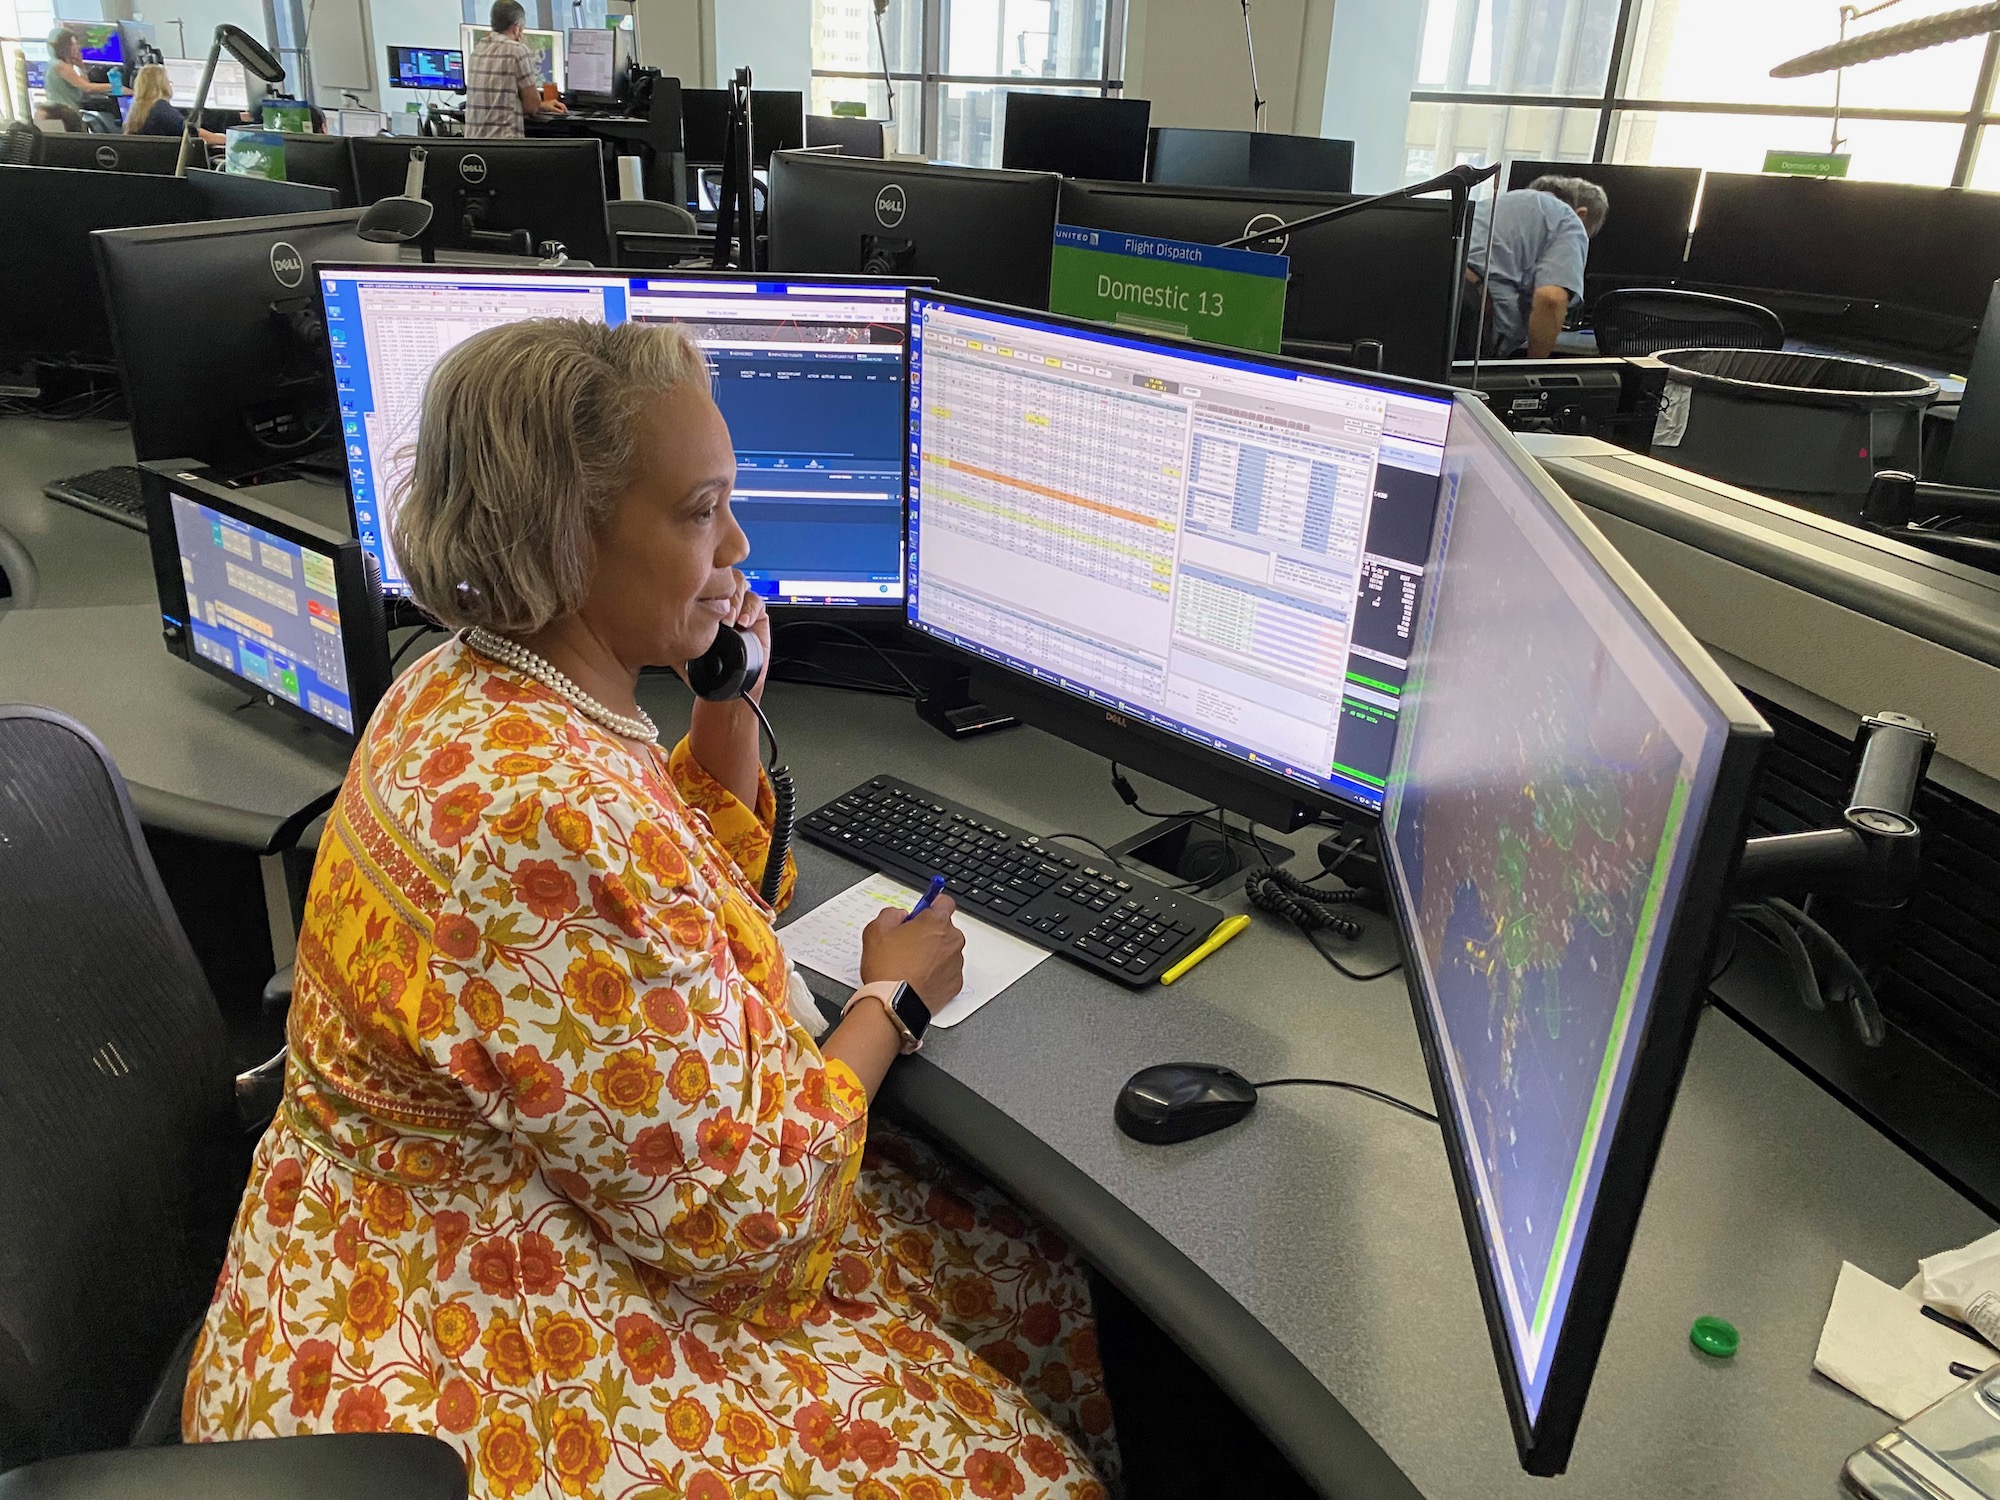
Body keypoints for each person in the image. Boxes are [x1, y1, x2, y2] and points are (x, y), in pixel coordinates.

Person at [182, 317, 1118, 1500]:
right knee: (1021, 1445)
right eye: (696, 511)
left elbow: (668, 910)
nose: (735, 540)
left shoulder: (461, 677)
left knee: (993, 1261)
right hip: (449, 1335)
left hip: (433, 1229)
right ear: (567, 540)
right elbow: (757, 1227)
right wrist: (889, 1000)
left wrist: (725, 709)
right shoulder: (545, 816)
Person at [1461, 173, 1611, 359]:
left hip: (1432, 287)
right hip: (1469, 314)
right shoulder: (1569, 220)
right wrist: (1532, 372)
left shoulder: (1494, 203)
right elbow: (1550, 299)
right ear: (1581, 214)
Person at [465, 0, 566, 140]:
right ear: (517, 28)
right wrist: (539, 104)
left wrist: (542, 105)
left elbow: (498, 102)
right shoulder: (516, 50)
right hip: (504, 147)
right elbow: (531, 106)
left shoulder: (477, 50)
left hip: (473, 148)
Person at [123, 63, 224, 145]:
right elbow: (190, 133)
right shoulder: (160, 108)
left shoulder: (136, 110)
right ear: (162, 85)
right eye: (168, 82)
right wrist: (226, 140)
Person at [37, 28, 111, 130]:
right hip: (64, 115)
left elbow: (84, 85)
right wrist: (114, 86)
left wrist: (81, 66)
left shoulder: (59, 63)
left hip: (67, 112)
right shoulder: (61, 66)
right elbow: (87, 88)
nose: (76, 48)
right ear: (64, 47)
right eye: (73, 45)